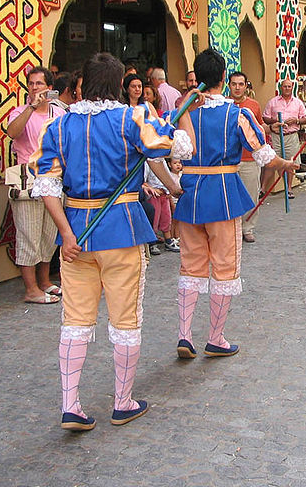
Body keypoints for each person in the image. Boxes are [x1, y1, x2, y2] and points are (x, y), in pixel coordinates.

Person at [31, 52, 196, 431]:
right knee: (125, 319)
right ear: (119, 84)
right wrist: (173, 125)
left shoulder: (57, 127)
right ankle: (122, 401)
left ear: (80, 84)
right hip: (120, 227)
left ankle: (70, 404)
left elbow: (46, 185)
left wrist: (67, 233)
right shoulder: (132, 117)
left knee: (74, 320)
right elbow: (178, 149)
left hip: (75, 233)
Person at [173, 48, 296, 360]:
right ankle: (215, 337)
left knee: (191, 265)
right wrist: (285, 164)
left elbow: (174, 153)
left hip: (191, 194)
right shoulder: (236, 114)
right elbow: (262, 153)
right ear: (224, 79)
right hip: (224, 195)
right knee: (225, 266)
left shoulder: (182, 114)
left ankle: (185, 334)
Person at [5, 66, 65, 305]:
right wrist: (31, 107)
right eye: (31, 84)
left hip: (54, 177)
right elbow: (11, 132)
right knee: (28, 233)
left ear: (49, 88)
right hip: (28, 179)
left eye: (39, 84)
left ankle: (43, 281)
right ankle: (30, 288)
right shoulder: (19, 111)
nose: (34, 88)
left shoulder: (59, 113)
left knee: (48, 234)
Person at [229, 71, 264, 243]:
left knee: (251, 195)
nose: (237, 87)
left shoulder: (254, 105)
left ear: (246, 86)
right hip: (230, 160)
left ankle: (248, 228)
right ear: (229, 85)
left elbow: (259, 128)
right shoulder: (225, 106)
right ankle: (232, 229)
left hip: (250, 158)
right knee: (231, 196)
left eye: (240, 84)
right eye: (234, 84)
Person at [262, 78, 306, 199]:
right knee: (271, 162)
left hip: (291, 136)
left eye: (289, 86)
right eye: (284, 86)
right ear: (280, 88)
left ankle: (289, 188)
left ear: (292, 87)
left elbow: (305, 118)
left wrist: (296, 120)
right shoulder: (273, 102)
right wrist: (277, 121)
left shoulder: (298, 103)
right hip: (276, 136)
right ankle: (262, 189)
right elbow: (265, 118)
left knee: (290, 163)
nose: (287, 89)